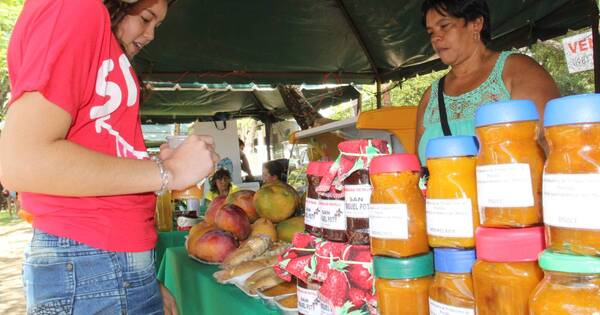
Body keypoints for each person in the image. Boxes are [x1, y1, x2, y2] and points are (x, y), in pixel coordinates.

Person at [0, 0, 219, 314]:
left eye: (156, 25)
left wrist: (140, 277)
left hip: (108, 267)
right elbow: (22, 160)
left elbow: (90, 155)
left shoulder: (89, 22)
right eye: (145, 18)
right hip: (91, 264)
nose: (151, 35)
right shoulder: (75, 8)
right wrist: (168, 171)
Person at [416, 0, 560, 163]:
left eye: (445, 26)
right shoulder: (431, 96)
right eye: (431, 32)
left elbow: (547, 144)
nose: (436, 38)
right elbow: (420, 173)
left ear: (476, 23)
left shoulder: (517, 70)